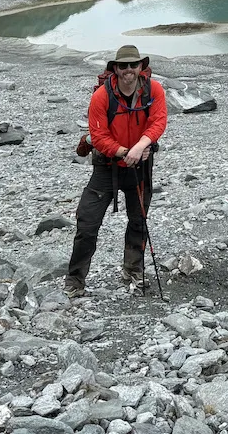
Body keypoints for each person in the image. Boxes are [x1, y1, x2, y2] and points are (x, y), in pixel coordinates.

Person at [65, 44, 168, 295]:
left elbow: (158, 121)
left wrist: (143, 145)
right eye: (123, 66)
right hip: (106, 166)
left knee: (138, 221)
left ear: (141, 67)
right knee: (87, 224)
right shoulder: (101, 96)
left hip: (140, 164)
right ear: (115, 69)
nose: (129, 70)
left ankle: (133, 271)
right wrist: (125, 152)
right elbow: (98, 137)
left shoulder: (154, 90)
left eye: (133, 65)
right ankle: (75, 280)